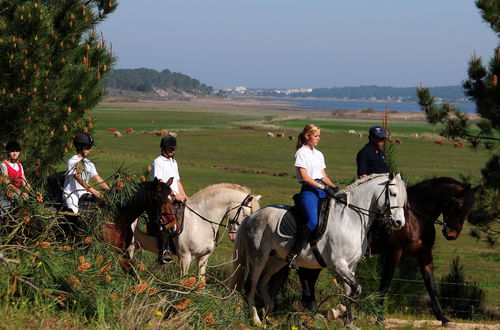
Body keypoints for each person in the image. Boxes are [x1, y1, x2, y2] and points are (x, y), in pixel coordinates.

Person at [286, 124, 338, 269]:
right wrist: (322, 186)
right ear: (307, 136)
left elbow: (323, 175)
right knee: (312, 222)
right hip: (309, 191)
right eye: (316, 136)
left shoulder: (319, 154)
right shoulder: (301, 153)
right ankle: (293, 254)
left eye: (319, 136)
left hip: (322, 189)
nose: (318, 139)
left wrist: (334, 188)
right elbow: (305, 176)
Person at [150, 135, 187, 264]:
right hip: (164, 198)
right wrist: (175, 194)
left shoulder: (173, 162)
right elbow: (159, 183)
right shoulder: (158, 162)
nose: (173, 151)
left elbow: (177, 181)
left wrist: (184, 195)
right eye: (170, 148)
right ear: (164, 148)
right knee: (167, 222)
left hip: (176, 196)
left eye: (174, 149)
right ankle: (164, 252)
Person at [62, 133, 109, 215]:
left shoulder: (88, 163)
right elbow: (78, 178)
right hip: (71, 194)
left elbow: (97, 178)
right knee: (75, 214)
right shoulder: (72, 161)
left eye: (90, 147)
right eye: (87, 147)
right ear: (80, 147)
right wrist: (93, 191)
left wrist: (109, 190)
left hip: (84, 193)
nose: (89, 150)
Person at [0, 141, 31, 219]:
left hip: (17, 197)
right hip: (6, 197)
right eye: (12, 151)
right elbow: (7, 183)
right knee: (2, 217)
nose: (15, 153)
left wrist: (33, 193)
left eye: (17, 151)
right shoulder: (3, 165)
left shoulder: (19, 165)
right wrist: (20, 193)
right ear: (8, 152)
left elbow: (25, 182)